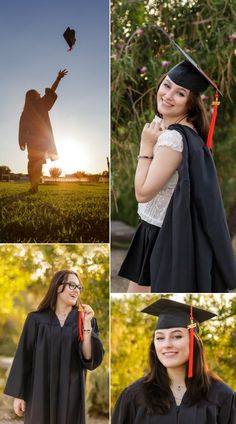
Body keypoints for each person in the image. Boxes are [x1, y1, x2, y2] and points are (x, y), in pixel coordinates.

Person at [118, 41, 236, 293]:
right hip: (159, 230)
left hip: (160, 235)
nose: (168, 95)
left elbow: (142, 193)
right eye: (167, 85)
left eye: (180, 93)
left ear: (190, 103)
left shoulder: (172, 139)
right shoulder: (176, 128)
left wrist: (145, 145)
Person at [112, 298, 236, 424]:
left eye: (177, 336)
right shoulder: (134, 396)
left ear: (193, 341)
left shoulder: (222, 396)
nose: (167, 344)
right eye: (160, 338)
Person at [4, 270, 104, 424]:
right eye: (72, 285)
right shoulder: (36, 320)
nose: (76, 290)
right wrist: (19, 395)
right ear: (58, 287)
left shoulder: (84, 319)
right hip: (39, 391)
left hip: (71, 394)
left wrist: (86, 326)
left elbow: (88, 358)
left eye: (79, 287)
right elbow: (24, 357)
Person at [19, 69, 68, 193]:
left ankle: (33, 185)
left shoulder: (25, 111)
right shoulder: (41, 104)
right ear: (34, 96)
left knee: (32, 163)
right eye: (38, 93)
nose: (40, 94)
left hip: (31, 141)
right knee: (37, 163)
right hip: (41, 140)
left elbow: (22, 128)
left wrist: (22, 141)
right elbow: (52, 91)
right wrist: (58, 78)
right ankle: (34, 185)